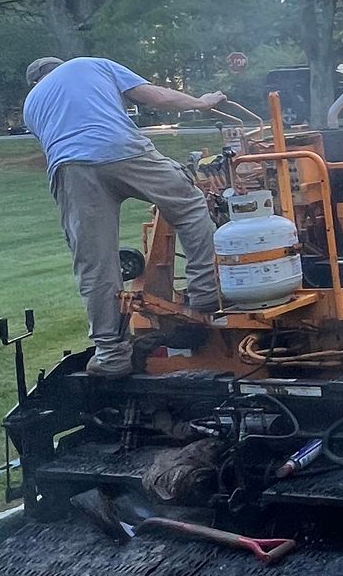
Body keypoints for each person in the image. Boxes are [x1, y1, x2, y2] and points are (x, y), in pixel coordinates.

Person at [22, 56, 230, 377]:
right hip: (120, 148)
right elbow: (157, 97)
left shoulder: (31, 103)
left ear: (36, 81)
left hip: (71, 171)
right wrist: (201, 103)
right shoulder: (90, 65)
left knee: (95, 262)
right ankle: (204, 295)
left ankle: (111, 355)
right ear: (59, 65)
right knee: (189, 205)